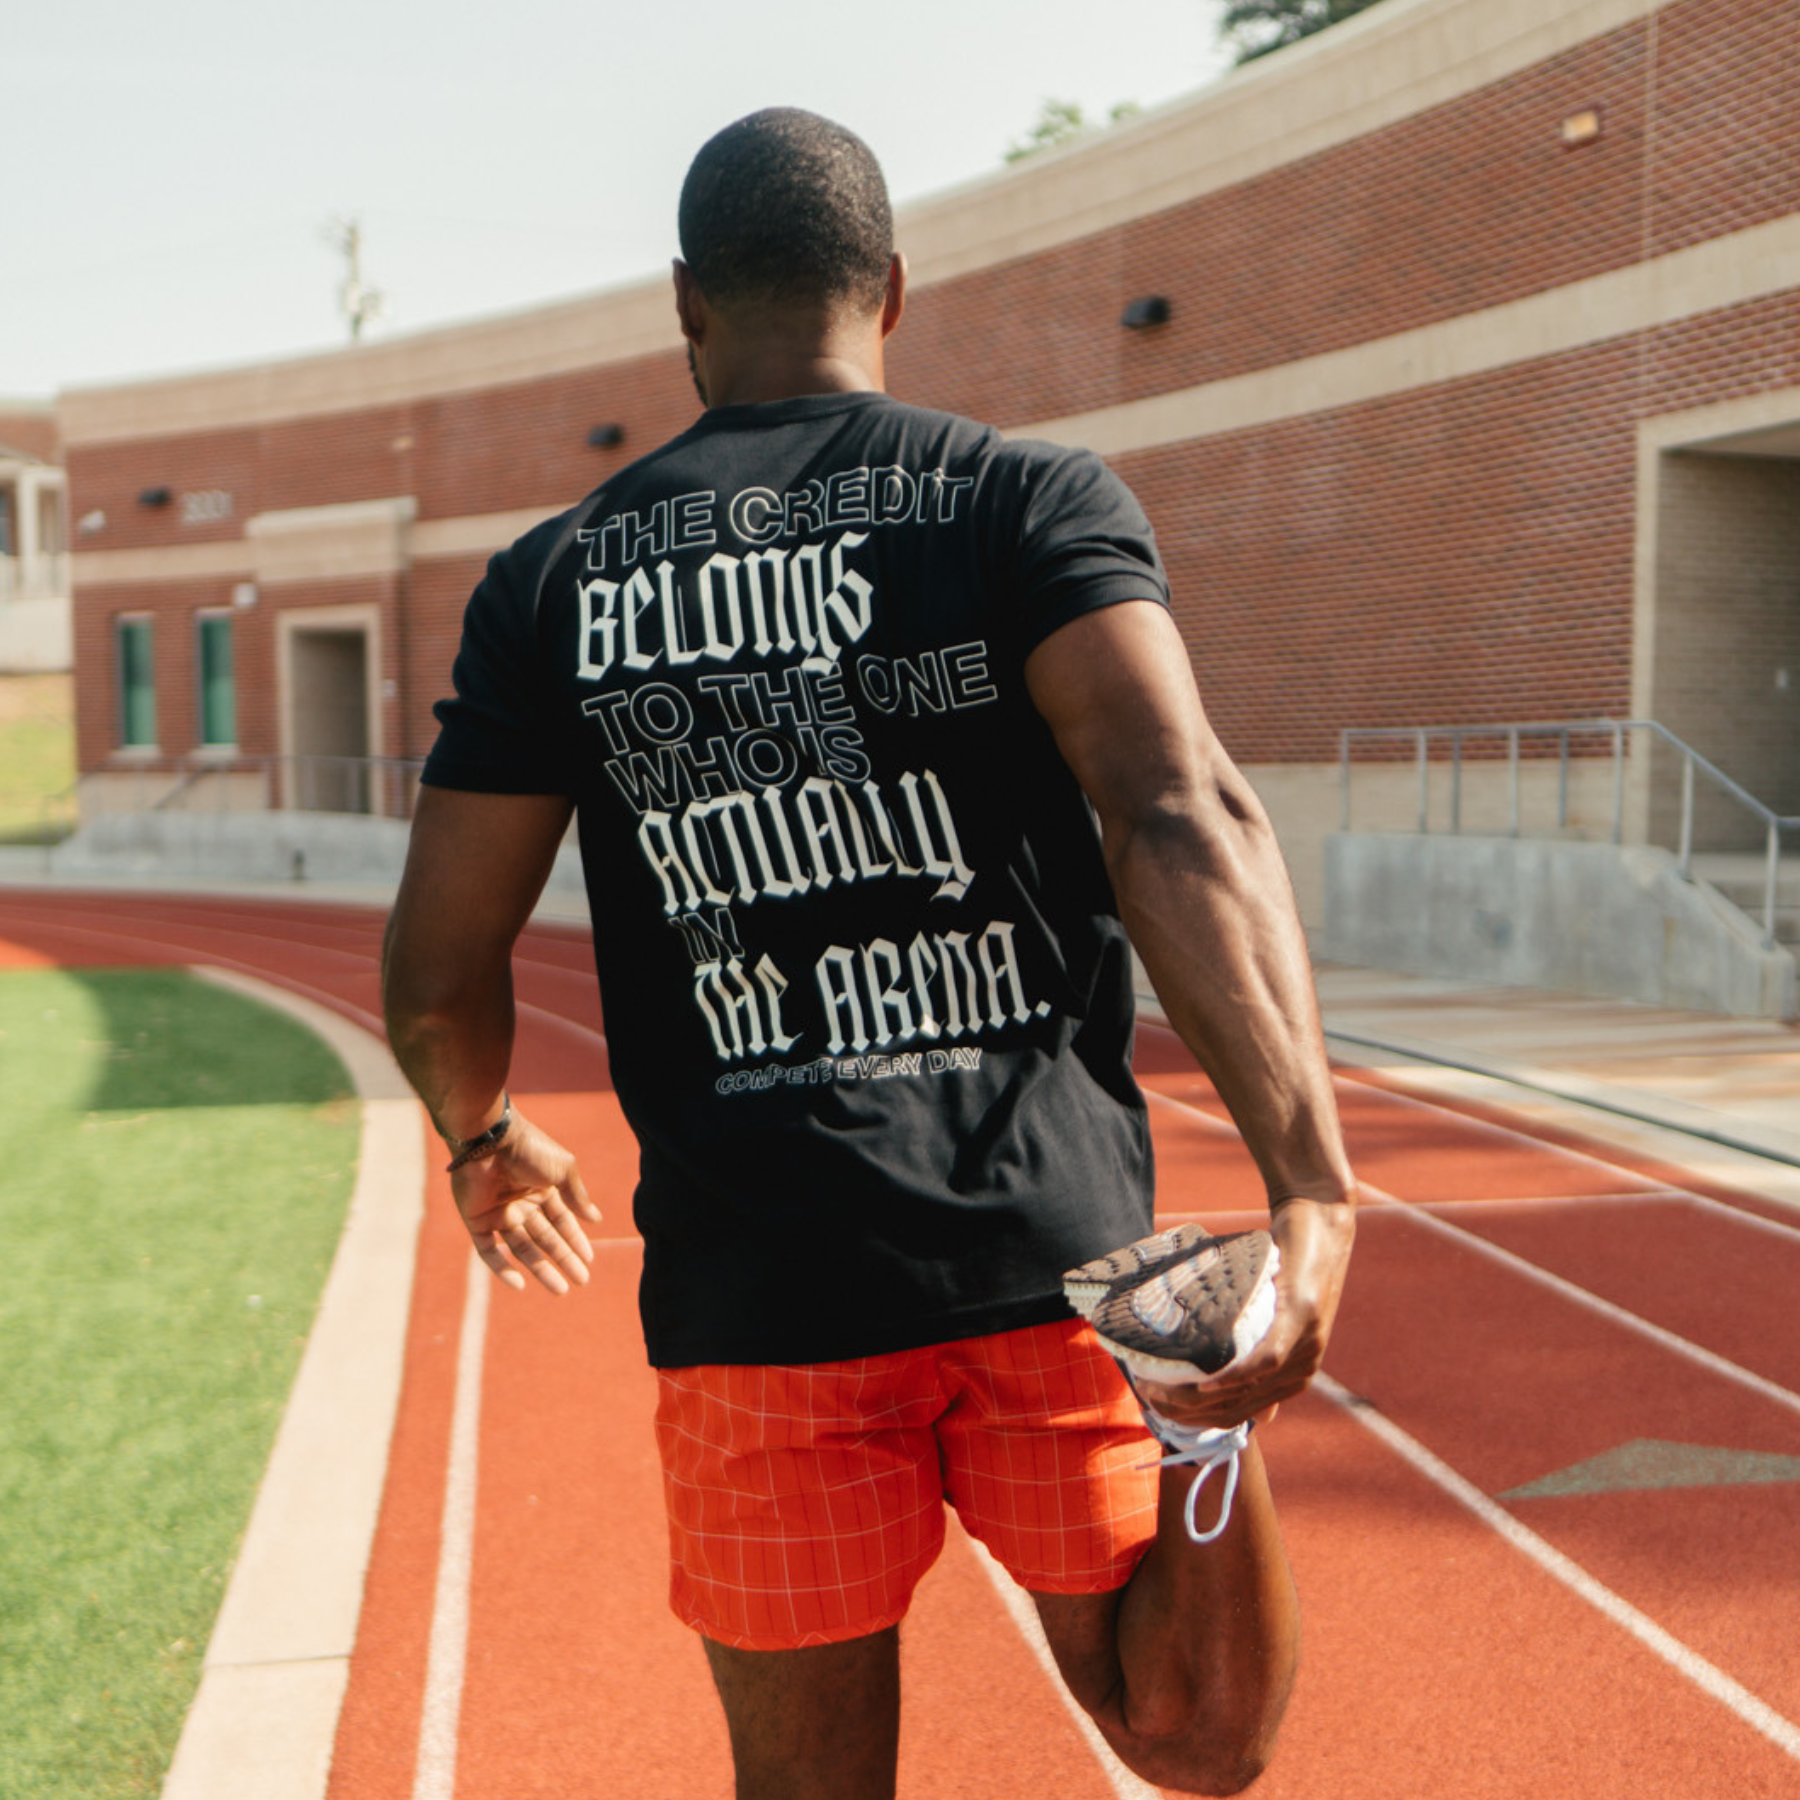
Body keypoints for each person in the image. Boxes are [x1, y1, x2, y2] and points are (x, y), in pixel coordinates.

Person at [382, 107, 1356, 1799]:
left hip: (759, 1301)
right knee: (1197, 1741)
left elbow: (434, 972)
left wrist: (482, 1136)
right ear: (892, 288)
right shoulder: (1023, 501)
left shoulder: (550, 581)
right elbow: (1177, 808)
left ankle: (1195, 1414)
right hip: (1048, 1260)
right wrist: (1312, 1184)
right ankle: (1204, 1417)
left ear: (685, 307)